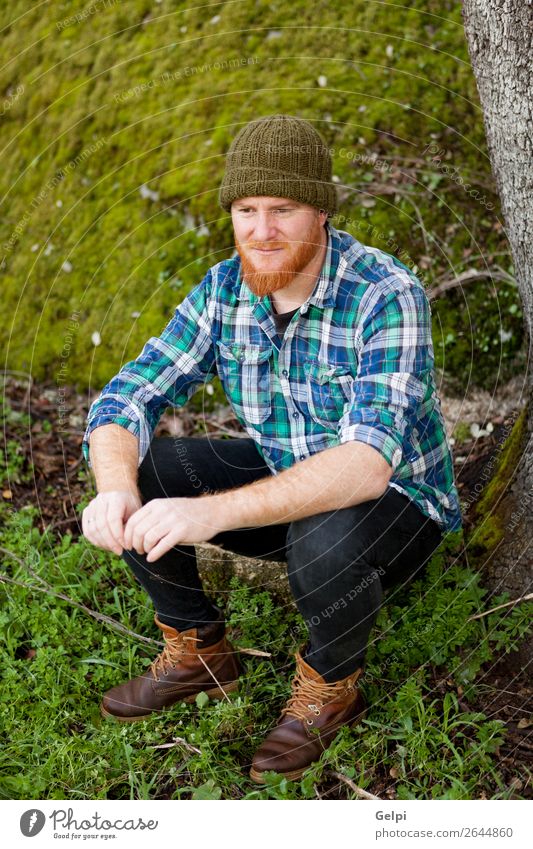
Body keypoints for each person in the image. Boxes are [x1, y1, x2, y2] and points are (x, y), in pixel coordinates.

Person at [81, 113, 462, 784]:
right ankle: (197, 649)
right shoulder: (223, 290)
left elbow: (366, 463)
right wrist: (114, 486)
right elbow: (126, 397)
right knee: (144, 468)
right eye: (247, 209)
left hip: (396, 505)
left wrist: (210, 515)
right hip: (292, 478)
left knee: (323, 537)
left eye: (282, 208)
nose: (261, 229)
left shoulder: (384, 295)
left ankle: (330, 685)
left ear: (320, 210)